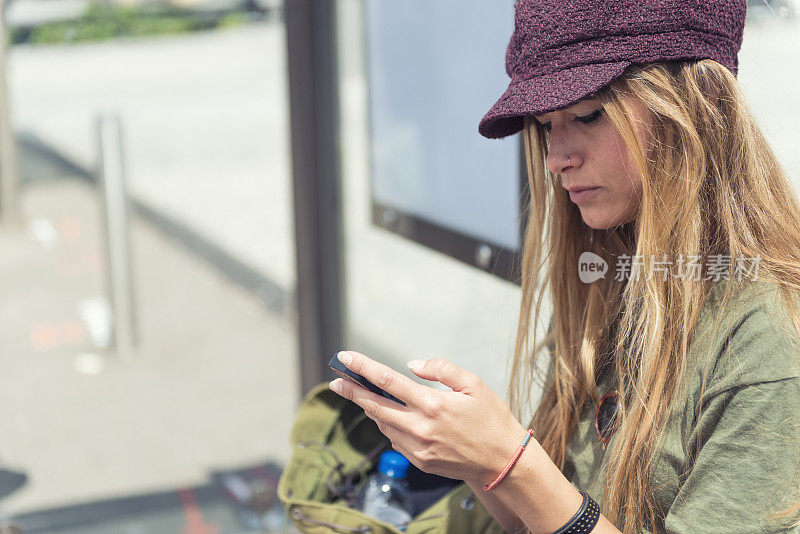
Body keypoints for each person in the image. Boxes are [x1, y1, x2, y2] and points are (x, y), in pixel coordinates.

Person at [328, 0, 800, 532]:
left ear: (691, 104)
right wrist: (469, 456)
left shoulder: (770, 337)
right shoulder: (613, 273)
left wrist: (509, 462)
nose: (556, 157)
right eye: (546, 124)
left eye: (588, 114)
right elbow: (546, 517)